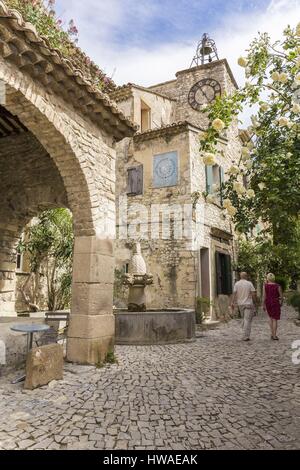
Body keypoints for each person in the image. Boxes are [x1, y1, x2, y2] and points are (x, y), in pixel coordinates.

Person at [231, 272, 257, 341]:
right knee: (247, 320)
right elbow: (253, 294)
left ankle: (246, 334)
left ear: (240, 276)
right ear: (246, 276)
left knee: (245, 319)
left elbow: (234, 294)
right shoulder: (249, 283)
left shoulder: (237, 284)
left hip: (240, 304)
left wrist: (232, 302)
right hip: (248, 303)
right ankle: (245, 336)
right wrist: (255, 302)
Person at [263, 273, 283, 340]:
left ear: (267, 278)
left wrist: (263, 304)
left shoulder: (265, 286)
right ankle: (274, 335)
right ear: (274, 278)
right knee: (275, 319)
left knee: (270, 318)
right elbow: (281, 296)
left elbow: (264, 296)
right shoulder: (278, 286)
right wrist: (281, 303)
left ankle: (272, 334)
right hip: (275, 302)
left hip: (268, 302)